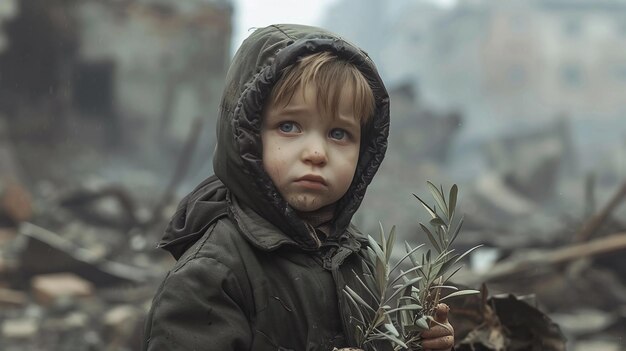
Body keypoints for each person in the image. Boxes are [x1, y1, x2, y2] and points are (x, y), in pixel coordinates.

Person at [142, 24, 454, 351]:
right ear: (247, 135)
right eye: (289, 127)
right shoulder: (213, 272)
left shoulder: (359, 260)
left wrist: (420, 341)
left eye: (339, 134)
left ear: (364, 152)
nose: (316, 153)